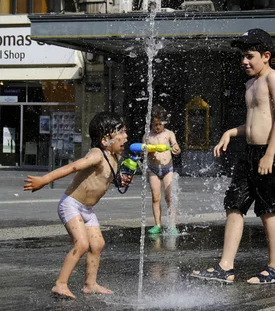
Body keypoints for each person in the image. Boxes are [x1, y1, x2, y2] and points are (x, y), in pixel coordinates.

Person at [192, 28, 275, 284]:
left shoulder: (273, 78)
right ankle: (226, 267)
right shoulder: (250, 83)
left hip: (271, 151)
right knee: (234, 204)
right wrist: (230, 132)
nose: (244, 61)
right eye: (242, 57)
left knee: (267, 210)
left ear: (266, 55)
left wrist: (269, 155)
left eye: (249, 56)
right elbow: (255, 123)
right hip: (250, 153)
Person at [23, 112, 130, 299]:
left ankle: (90, 284)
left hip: (87, 209)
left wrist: (122, 181)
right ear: (106, 138)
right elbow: (72, 167)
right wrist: (44, 179)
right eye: (120, 133)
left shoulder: (115, 158)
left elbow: (107, 179)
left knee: (97, 244)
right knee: (81, 243)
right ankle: (60, 284)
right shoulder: (97, 154)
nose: (125, 137)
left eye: (125, 132)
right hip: (71, 205)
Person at [146, 105, 181, 235]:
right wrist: (150, 151)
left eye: (160, 124)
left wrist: (176, 149)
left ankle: (172, 225)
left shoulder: (169, 134)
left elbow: (175, 145)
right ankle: (157, 224)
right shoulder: (148, 135)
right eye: (155, 124)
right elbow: (144, 151)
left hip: (167, 169)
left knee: (169, 198)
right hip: (153, 169)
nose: (158, 127)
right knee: (155, 197)